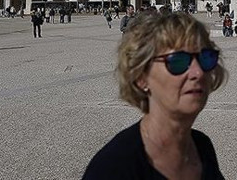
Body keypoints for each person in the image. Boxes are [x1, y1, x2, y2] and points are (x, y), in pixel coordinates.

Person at [82, 12, 227, 179]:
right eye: (177, 61)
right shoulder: (112, 169)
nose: (198, 72)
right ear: (141, 76)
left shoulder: (201, 147)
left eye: (205, 58)